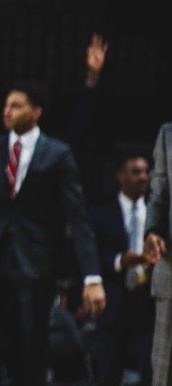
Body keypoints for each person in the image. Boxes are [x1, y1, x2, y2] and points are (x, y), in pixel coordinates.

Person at [0, 79, 106, 386]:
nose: (6, 110)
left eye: (16, 105)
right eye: (5, 105)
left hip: (35, 264)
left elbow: (78, 216)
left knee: (30, 348)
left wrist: (93, 276)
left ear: (36, 112)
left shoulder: (58, 154)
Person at [91, 153, 154, 385]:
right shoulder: (101, 212)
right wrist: (120, 261)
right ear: (120, 176)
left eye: (146, 171)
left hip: (148, 302)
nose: (143, 177)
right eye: (136, 171)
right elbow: (91, 256)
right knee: (108, 373)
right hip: (114, 301)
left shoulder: (157, 212)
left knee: (152, 371)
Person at [145, 124, 172, 386]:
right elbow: (159, 196)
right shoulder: (167, 134)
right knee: (163, 374)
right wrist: (152, 231)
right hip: (171, 271)